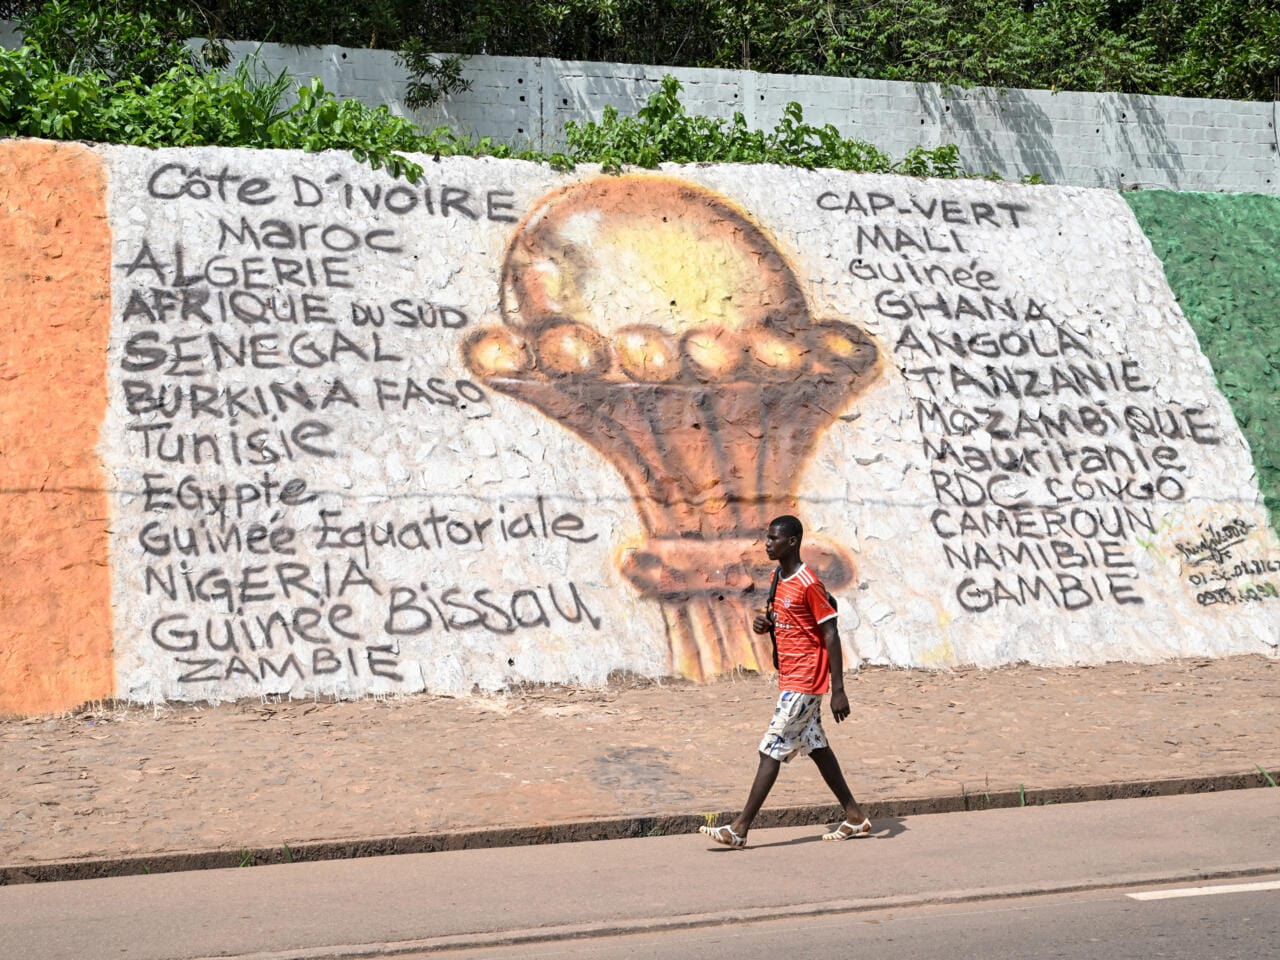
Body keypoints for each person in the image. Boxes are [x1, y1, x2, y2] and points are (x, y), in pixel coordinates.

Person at [699, 514, 869, 848]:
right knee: (817, 747)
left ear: (791, 542)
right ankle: (854, 815)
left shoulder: (809, 582)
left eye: (774, 538)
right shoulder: (779, 577)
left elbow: (830, 633)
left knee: (771, 748)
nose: (767, 543)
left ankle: (739, 828)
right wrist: (766, 625)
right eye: (767, 537)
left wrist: (838, 690)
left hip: (807, 678)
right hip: (789, 674)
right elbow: (779, 618)